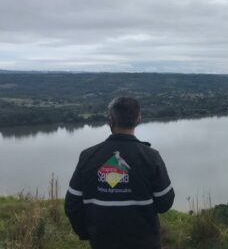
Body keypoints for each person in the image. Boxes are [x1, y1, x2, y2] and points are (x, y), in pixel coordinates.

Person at [65, 97, 174, 249]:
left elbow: (72, 204)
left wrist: (86, 232)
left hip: (101, 242)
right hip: (144, 243)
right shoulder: (151, 157)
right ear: (138, 120)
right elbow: (164, 203)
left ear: (110, 120)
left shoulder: (88, 156)